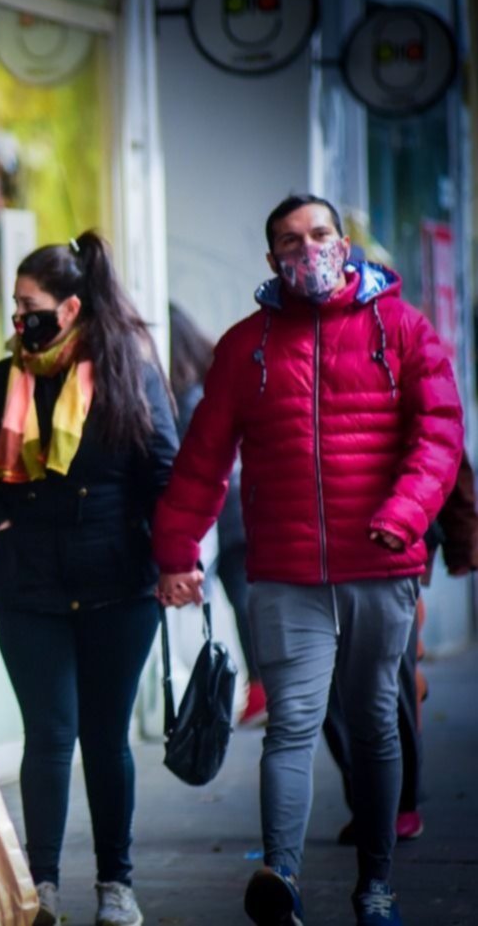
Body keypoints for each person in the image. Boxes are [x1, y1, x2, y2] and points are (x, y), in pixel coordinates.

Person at [154, 195, 462, 926]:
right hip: (285, 574)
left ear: (344, 242)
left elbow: (441, 436)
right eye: (290, 241)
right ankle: (279, 878)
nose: (307, 249)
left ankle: (375, 885)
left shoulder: (401, 329)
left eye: (319, 234)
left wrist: (404, 513)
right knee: (292, 722)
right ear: (272, 261)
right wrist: (174, 552)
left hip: (381, 565)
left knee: (373, 722)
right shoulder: (245, 346)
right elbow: (201, 461)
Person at [0, 231, 177, 926]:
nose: (19, 320)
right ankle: (40, 889)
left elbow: (163, 471)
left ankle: (116, 885)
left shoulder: (125, 373)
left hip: (117, 585)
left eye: (29, 305)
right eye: (16, 306)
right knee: (47, 735)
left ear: (71, 306)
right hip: (28, 588)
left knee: (104, 739)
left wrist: (172, 556)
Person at [323, 451, 477, 847]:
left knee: (393, 671)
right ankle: (369, 799)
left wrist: (463, 535)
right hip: (320, 532)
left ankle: (401, 802)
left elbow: (444, 441)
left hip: (400, 531)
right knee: (328, 684)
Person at [167, 303, 262, 723]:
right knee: (248, 602)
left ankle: (264, 690)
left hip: (226, 517)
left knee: (245, 602)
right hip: (239, 509)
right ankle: (263, 689)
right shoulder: (207, 380)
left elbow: (198, 466)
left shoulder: (187, 396)